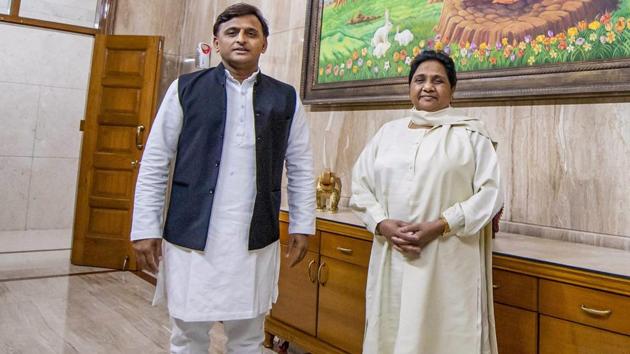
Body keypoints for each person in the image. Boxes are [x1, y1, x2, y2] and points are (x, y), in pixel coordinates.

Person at [130, 3, 315, 353]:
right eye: (232, 33)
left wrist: (303, 223)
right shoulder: (185, 89)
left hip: (254, 239)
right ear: (216, 43)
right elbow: (155, 161)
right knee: (188, 336)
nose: (241, 39)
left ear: (265, 43)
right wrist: (145, 227)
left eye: (251, 33)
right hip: (192, 236)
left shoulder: (284, 97)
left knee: (247, 339)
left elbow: (301, 163)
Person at [349, 50, 502, 354]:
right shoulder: (387, 133)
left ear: (452, 89)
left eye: (438, 81)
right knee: (392, 331)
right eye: (420, 80)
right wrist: (381, 223)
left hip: (447, 258)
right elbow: (360, 185)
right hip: (393, 255)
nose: (428, 86)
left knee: (444, 335)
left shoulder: (472, 135)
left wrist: (443, 224)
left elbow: (491, 193)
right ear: (410, 87)